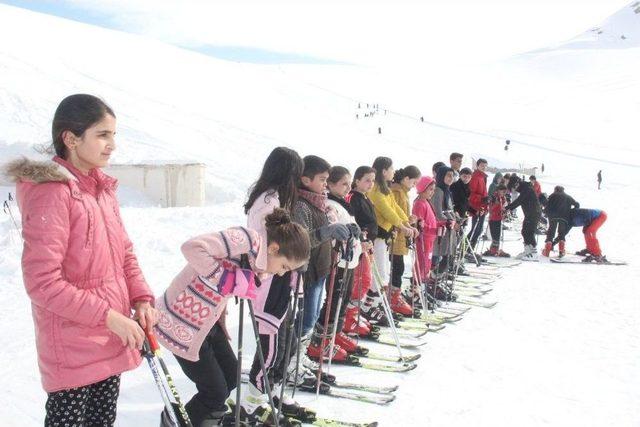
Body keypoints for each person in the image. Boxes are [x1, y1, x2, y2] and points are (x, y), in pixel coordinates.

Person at [6, 94, 158, 426]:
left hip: (109, 339)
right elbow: (42, 283)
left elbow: (124, 254)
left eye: (114, 135)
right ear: (71, 139)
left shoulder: (100, 190)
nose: (112, 145)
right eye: (103, 135)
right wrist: (110, 317)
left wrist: (142, 299)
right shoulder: (52, 192)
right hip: (74, 348)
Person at [154, 209, 310, 426]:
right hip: (182, 321)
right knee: (215, 392)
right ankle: (175, 422)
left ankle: (198, 420)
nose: (282, 273)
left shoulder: (259, 261)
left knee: (231, 377)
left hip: (206, 323)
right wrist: (224, 278)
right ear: (274, 248)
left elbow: (235, 283)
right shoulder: (245, 239)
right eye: (284, 266)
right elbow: (192, 247)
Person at [243, 147, 315, 420]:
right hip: (270, 281)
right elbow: (268, 246)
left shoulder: (274, 198)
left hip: (281, 279)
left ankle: (268, 392)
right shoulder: (269, 201)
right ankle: (252, 401)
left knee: (281, 343)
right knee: (270, 347)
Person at [292, 156, 354, 356]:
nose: (325, 184)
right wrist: (327, 232)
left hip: (321, 268)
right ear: (305, 180)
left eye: (327, 179)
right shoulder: (301, 205)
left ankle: (300, 356)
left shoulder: (320, 203)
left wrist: (345, 229)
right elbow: (302, 241)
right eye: (322, 179)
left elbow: (330, 226)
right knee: (306, 319)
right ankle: (292, 359)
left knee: (313, 316)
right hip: (308, 272)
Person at [309, 166, 362, 361]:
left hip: (350, 258)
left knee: (345, 297)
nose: (348, 188)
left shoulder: (344, 203)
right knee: (334, 299)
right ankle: (320, 341)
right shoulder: (330, 203)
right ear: (330, 185)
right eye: (343, 184)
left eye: (349, 184)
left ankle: (334, 334)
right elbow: (331, 228)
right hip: (338, 260)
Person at [365, 157, 417, 320]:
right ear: (384, 170)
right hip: (377, 236)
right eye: (391, 168)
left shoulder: (385, 188)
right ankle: (370, 306)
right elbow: (386, 211)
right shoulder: (376, 190)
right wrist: (402, 226)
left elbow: (395, 208)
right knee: (378, 272)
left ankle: (376, 303)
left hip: (384, 236)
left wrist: (406, 222)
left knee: (382, 271)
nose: (394, 171)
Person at [345, 166, 379, 334]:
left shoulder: (365, 198)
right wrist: (362, 236)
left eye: (373, 180)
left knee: (366, 279)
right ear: (357, 180)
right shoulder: (353, 198)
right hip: (358, 247)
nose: (370, 184)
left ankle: (354, 313)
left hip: (367, 246)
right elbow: (352, 222)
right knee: (361, 280)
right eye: (367, 180)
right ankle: (348, 316)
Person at [389, 166, 421, 316]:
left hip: (402, 235)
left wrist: (409, 220)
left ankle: (395, 296)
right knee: (397, 266)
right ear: (406, 179)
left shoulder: (403, 192)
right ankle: (393, 297)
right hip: (396, 236)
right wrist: (404, 223)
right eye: (413, 182)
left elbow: (401, 213)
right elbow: (393, 213)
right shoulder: (396, 191)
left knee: (399, 266)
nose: (414, 186)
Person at [505, 175, 542, 260]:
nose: (515, 189)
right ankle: (527, 251)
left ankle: (534, 253)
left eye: (514, 187)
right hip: (530, 213)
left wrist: (508, 208)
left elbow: (519, 200)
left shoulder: (527, 188)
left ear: (518, 183)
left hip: (534, 213)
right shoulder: (525, 188)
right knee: (524, 231)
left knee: (529, 231)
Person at [412, 176, 441, 286]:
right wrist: (435, 230)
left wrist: (443, 224)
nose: (432, 192)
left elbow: (431, 222)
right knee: (422, 263)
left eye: (433, 190)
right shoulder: (419, 204)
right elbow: (420, 225)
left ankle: (421, 285)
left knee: (427, 263)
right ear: (422, 188)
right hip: (422, 240)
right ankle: (415, 288)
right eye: (430, 189)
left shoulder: (426, 202)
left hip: (429, 240)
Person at [542, 186, 579, 257]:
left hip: (553, 217)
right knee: (561, 233)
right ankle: (561, 251)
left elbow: (547, 205)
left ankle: (547, 251)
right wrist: (571, 212)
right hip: (564, 217)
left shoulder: (552, 195)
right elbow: (577, 204)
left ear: (555, 190)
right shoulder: (568, 197)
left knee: (551, 233)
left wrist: (545, 212)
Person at [467, 158, 489, 251]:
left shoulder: (482, 177)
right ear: (477, 166)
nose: (484, 168)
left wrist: (486, 201)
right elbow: (470, 194)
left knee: (478, 229)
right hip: (476, 207)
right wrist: (482, 199)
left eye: (485, 166)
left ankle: (469, 249)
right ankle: (467, 249)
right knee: (476, 229)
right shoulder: (475, 176)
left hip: (482, 206)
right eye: (482, 166)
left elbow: (483, 192)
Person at [483, 184, 510, 257]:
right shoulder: (494, 197)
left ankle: (495, 249)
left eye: (505, 192)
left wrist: (505, 212)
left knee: (497, 235)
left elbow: (504, 207)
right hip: (493, 218)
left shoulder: (502, 198)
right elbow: (491, 206)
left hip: (498, 218)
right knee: (495, 235)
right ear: (498, 190)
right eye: (503, 191)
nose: (504, 193)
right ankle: (493, 250)